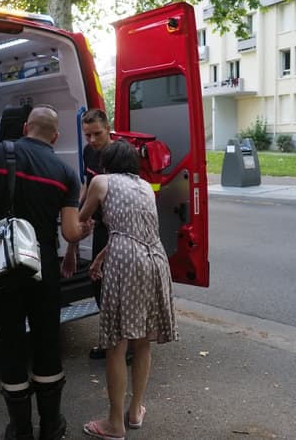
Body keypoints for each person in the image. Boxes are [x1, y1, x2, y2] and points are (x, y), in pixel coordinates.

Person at [0, 105, 89, 440]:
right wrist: (86, 228)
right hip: (43, 264)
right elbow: (71, 233)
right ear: (56, 136)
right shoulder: (66, 172)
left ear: (27, 126)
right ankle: (51, 425)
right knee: (46, 340)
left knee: (11, 342)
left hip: (3, 264)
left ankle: (19, 429)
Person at [79, 140, 178, 440]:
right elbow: (136, 231)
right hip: (156, 260)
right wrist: (101, 256)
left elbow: (83, 218)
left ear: (106, 163)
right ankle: (135, 411)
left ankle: (114, 424)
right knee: (142, 340)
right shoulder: (146, 186)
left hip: (126, 263)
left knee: (117, 343)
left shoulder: (100, 181)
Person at [60, 109, 115, 360]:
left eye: (97, 134)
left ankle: (127, 345)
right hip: (100, 224)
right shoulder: (89, 152)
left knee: (117, 287)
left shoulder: (119, 155)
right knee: (99, 284)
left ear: (108, 128)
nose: (92, 140)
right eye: (87, 135)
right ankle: (109, 339)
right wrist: (78, 210)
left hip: (119, 226)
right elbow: (86, 185)